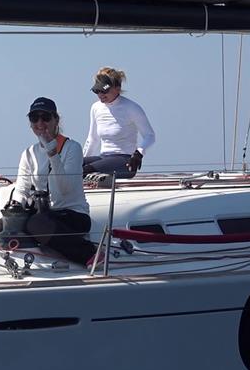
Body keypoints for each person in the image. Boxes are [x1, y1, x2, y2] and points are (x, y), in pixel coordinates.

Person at [12, 97, 100, 267]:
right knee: (6, 227)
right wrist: (13, 211)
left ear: (56, 120)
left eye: (45, 117)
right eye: (34, 118)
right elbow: (21, 189)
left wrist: (53, 154)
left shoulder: (72, 148)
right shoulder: (29, 153)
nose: (40, 123)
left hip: (72, 215)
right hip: (46, 215)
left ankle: (90, 254)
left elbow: (64, 189)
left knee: (36, 223)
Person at [82, 67, 155, 179]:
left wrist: (138, 154)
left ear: (117, 88)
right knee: (70, 167)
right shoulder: (95, 108)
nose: (100, 95)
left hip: (125, 162)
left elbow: (149, 136)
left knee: (86, 170)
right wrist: (79, 162)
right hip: (103, 158)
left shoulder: (131, 108)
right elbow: (93, 139)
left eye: (104, 90)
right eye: (97, 91)